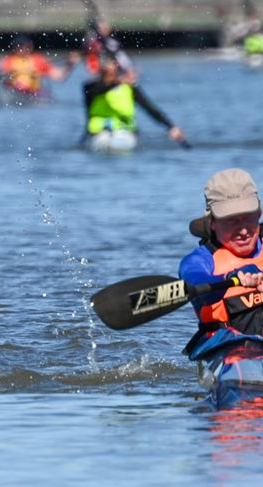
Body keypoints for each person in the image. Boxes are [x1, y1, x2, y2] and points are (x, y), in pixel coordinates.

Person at [180, 169, 263, 341]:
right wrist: (231, 277)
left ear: (259, 213)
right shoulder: (198, 261)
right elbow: (198, 288)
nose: (243, 230)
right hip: (233, 352)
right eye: (231, 220)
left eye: (248, 217)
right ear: (212, 223)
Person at [82, 54, 186, 144]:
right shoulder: (90, 86)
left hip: (125, 131)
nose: (108, 68)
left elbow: (149, 108)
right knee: (104, 140)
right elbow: (97, 90)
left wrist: (171, 126)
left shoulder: (130, 87)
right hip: (98, 132)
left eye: (110, 64)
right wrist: (118, 82)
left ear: (116, 67)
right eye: (105, 65)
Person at [0, 35, 79, 97]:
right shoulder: (8, 61)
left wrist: (70, 64)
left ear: (30, 46)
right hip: (14, 91)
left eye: (23, 46)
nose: (21, 48)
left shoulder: (38, 60)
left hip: (33, 93)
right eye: (18, 46)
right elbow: (2, 77)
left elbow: (60, 77)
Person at [84, 17, 136, 82]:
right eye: (101, 29)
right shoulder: (92, 40)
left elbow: (118, 54)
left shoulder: (112, 41)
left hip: (116, 64)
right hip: (100, 66)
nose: (103, 30)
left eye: (105, 28)